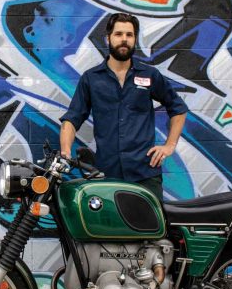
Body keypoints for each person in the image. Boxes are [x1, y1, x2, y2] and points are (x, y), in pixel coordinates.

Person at [59, 13, 188, 200]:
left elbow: (178, 109)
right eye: (119, 34)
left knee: (151, 228)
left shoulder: (150, 74)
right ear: (108, 38)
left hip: (145, 174)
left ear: (135, 39)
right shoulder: (91, 78)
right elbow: (72, 119)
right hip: (106, 175)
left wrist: (169, 145)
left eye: (129, 35)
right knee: (108, 228)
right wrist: (65, 152)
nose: (124, 40)